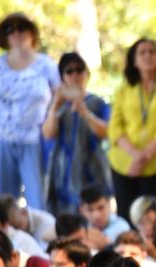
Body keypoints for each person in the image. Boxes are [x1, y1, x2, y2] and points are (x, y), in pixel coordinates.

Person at [0, 13, 60, 209]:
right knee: (1, 202)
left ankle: (43, 240)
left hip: (34, 141)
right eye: (10, 30)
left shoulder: (46, 65)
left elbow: (59, 97)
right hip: (0, 140)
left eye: (22, 28)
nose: (17, 34)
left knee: (38, 200)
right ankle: (1, 239)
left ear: (32, 33)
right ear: (4, 37)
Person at [108, 38, 156, 224]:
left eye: (152, 52)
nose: (147, 55)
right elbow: (115, 127)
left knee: (149, 217)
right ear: (134, 60)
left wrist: (143, 158)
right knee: (124, 215)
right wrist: (135, 155)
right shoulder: (124, 90)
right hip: (123, 163)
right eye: (142, 52)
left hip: (154, 165)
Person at [42, 52, 112, 215]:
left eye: (79, 70)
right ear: (62, 77)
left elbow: (107, 132)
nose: (75, 74)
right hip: (62, 170)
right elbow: (48, 134)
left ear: (87, 73)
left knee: (93, 215)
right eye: (69, 71)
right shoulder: (56, 103)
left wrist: (84, 111)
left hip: (92, 169)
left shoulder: (97, 102)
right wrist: (55, 107)